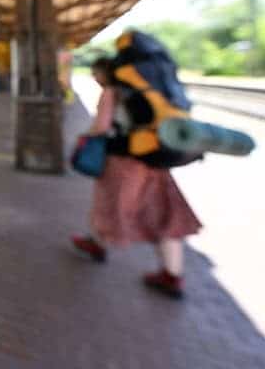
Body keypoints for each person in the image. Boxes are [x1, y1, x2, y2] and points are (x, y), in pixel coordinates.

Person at [70, 56, 202, 299]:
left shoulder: (112, 92)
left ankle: (97, 244)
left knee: (109, 203)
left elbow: (101, 126)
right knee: (163, 213)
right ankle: (172, 274)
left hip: (123, 160)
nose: (93, 78)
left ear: (106, 73)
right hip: (154, 158)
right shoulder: (149, 90)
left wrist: (84, 137)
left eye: (95, 73)